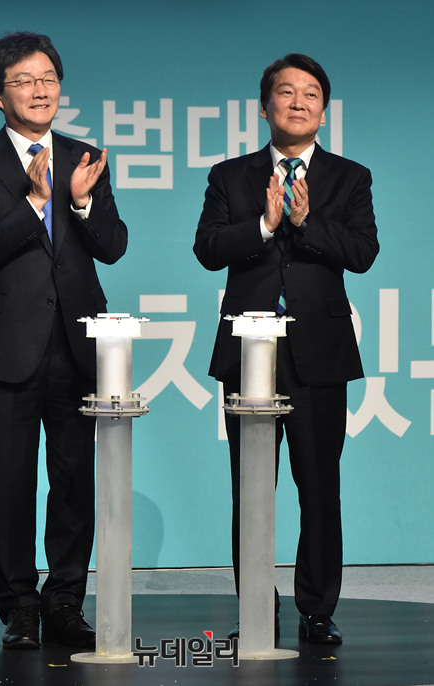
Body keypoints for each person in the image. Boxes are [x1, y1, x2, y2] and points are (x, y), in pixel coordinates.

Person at [0, 32, 128, 650]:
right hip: (5, 344)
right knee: (10, 481)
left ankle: (65, 601)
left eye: (48, 78)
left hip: (77, 344)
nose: (40, 89)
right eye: (24, 80)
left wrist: (80, 203)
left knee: (74, 479)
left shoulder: (85, 156)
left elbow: (113, 245)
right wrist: (33, 202)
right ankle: (19, 607)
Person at [193, 54, 378, 644]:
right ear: (264, 106)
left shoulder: (349, 178)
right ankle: (255, 605)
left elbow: (363, 253)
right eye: (287, 92)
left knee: (320, 486)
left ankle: (317, 609)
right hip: (248, 353)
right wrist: (265, 225)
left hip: (318, 354)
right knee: (251, 488)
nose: (299, 102)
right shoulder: (231, 176)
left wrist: (305, 221)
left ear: (324, 111)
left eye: (311, 94)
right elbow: (207, 249)